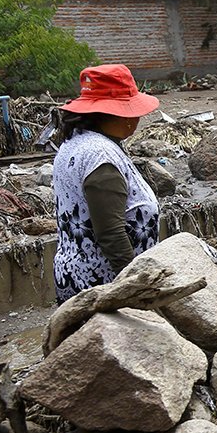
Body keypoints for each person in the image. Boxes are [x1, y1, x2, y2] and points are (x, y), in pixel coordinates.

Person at [52, 64, 161, 304]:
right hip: (104, 287)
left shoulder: (75, 142)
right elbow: (111, 234)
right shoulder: (100, 157)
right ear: (118, 114)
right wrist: (134, 289)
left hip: (77, 277)